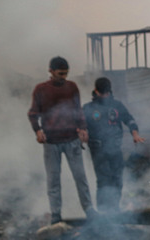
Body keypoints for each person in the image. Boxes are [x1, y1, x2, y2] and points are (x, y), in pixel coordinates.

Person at [28, 56, 95, 224]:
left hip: (72, 139)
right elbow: (33, 113)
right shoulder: (40, 89)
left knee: (80, 177)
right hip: (51, 142)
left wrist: (84, 129)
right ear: (51, 71)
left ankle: (89, 210)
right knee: (53, 180)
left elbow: (78, 111)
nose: (64, 77)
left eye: (66, 74)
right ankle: (56, 215)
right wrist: (37, 131)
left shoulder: (72, 87)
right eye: (60, 74)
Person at [82, 77, 144, 213]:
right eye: (102, 93)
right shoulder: (88, 108)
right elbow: (80, 124)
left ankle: (114, 209)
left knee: (117, 179)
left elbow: (129, 119)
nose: (105, 96)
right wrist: (82, 132)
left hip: (115, 148)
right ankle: (103, 211)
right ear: (96, 91)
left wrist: (135, 133)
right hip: (97, 149)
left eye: (107, 93)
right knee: (104, 181)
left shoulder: (117, 105)